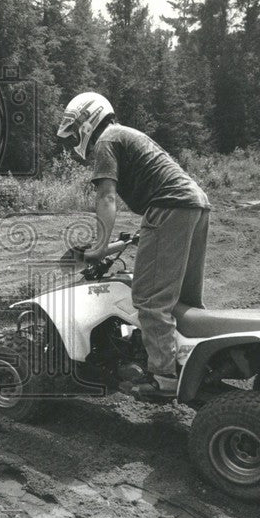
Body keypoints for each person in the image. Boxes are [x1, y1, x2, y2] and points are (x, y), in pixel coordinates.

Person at [56, 92, 211, 399]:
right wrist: (134, 236)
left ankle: (164, 374)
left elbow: (107, 196)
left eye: (74, 132)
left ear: (88, 122)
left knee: (149, 298)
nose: (73, 142)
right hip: (195, 204)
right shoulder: (125, 135)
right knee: (183, 300)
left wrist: (99, 246)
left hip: (170, 205)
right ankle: (197, 362)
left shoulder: (105, 141)